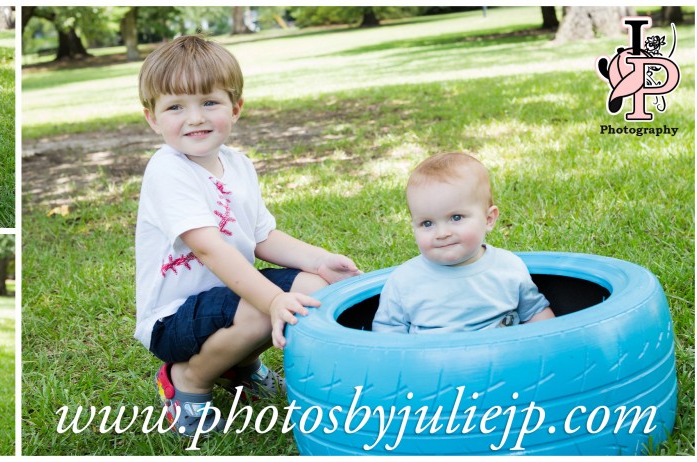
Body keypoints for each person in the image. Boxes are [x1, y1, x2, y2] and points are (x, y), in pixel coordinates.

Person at [134, 35, 361, 437]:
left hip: (226, 301)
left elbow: (262, 237)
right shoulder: (167, 170)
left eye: (209, 102)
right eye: (175, 107)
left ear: (235, 108)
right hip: (172, 319)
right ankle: (187, 380)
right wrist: (273, 298)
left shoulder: (238, 164)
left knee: (313, 289)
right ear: (152, 118)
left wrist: (319, 261)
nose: (195, 118)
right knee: (267, 308)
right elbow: (208, 247)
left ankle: (239, 366)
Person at [372, 152, 556, 334]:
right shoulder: (404, 281)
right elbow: (387, 335)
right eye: (427, 223)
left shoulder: (508, 267)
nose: (442, 233)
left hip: (504, 359)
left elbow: (535, 313)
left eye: (456, 217)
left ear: (489, 219)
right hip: (434, 361)